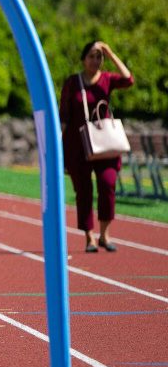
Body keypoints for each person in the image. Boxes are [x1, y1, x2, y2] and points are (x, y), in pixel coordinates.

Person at [59, 40, 134, 253]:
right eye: (91, 56)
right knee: (83, 191)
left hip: (105, 143)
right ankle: (89, 237)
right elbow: (63, 115)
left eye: (99, 56)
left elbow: (129, 79)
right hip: (77, 145)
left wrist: (110, 52)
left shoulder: (108, 79)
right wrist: (57, 143)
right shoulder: (72, 82)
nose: (95, 60)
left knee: (107, 184)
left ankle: (105, 234)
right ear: (83, 59)